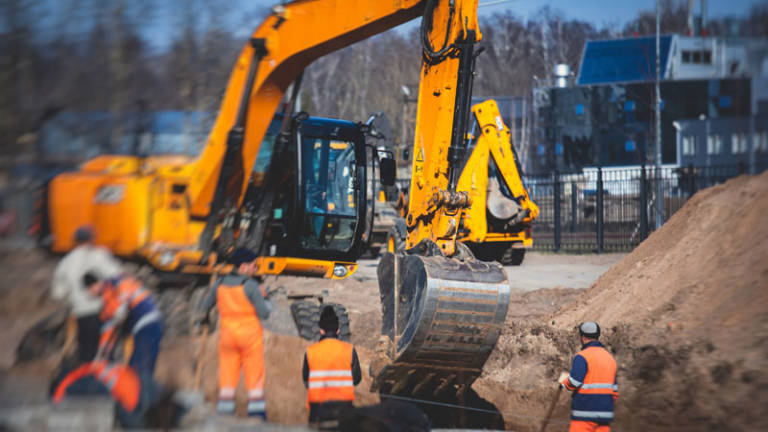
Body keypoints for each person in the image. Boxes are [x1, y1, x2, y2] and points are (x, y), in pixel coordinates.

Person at [197, 263, 271, 419]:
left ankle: (225, 414)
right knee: (254, 376)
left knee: (227, 376)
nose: (255, 269)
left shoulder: (220, 283)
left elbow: (204, 306)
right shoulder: (250, 285)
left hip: (227, 337)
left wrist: (204, 318)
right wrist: (265, 298)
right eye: (253, 266)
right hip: (249, 337)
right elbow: (264, 313)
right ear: (243, 266)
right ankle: (257, 416)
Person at [51, 226, 122, 363]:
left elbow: (58, 294)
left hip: (80, 313)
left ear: (74, 241)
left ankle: (86, 378)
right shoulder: (100, 255)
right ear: (92, 240)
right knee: (106, 351)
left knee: (85, 351)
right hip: (103, 311)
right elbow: (117, 277)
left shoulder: (66, 262)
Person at [52, 360, 184, 429]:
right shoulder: (136, 401)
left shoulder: (151, 385)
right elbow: (126, 417)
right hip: (131, 383)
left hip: (130, 389)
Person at [85, 273, 163, 378]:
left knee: (143, 364)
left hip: (149, 322)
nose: (91, 293)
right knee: (134, 365)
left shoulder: (115, 283)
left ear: (95, 284)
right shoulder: (107, 305)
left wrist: (123, 303)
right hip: (139, 330)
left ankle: (144, 391)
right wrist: (101, 354)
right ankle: (137, 390)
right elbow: (108, 329)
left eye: (90, 290)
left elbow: (126, 288)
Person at [302, 306, 361, 428]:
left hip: (318, 412)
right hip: (344, 410)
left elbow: (306, 381)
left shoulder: (311, 352)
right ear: (338, 330)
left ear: (321, 330)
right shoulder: (349, 350)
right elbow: (356, 379)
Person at [558, 321, 619, 432]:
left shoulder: (582, 357)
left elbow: (574, 382)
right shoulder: (610, 359)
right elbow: (614, 392)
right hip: (604, 415)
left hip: (584, 414)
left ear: (583, 337)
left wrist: (564, 382)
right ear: (597, 336)